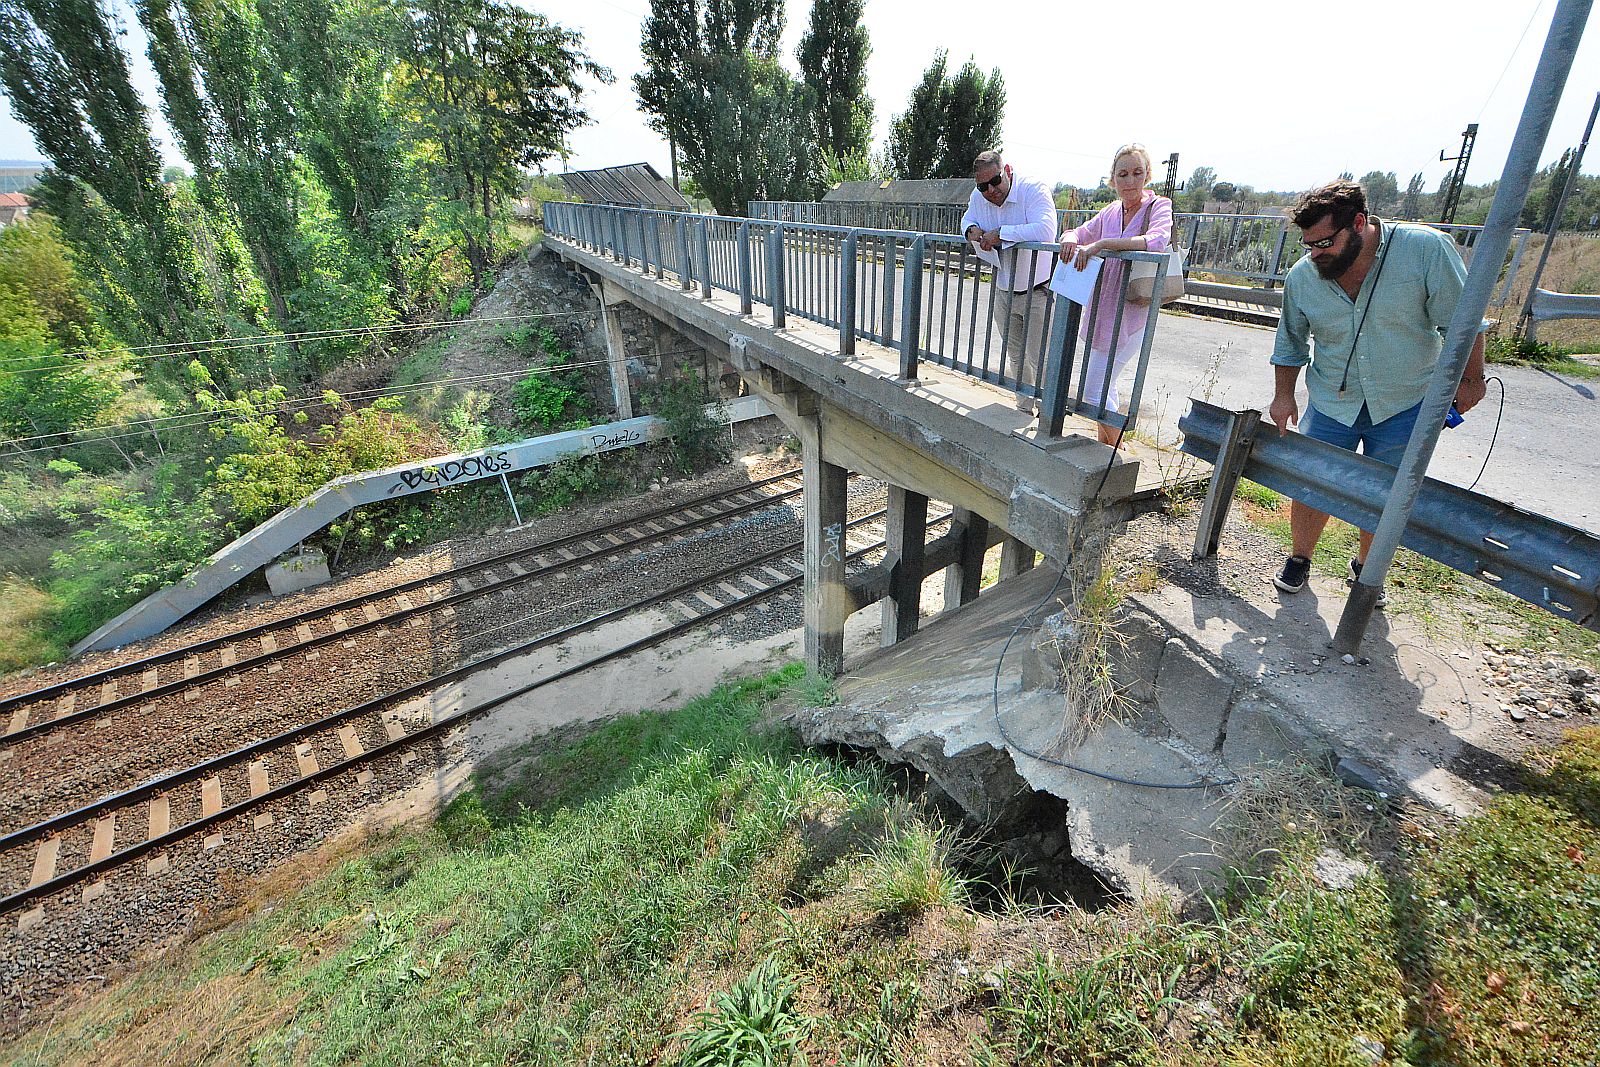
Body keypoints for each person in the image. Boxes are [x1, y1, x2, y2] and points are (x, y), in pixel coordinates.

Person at [1269, 179, 1487, 600]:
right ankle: (1300, 558)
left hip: (1405, 402)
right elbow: (1290, 342)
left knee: (1387, 494)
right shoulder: (1303, 276)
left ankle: (1367, 571)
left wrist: (1471, 378)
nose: (1315, 254)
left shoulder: (1423, 250)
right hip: (1332, 401)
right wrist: (1283, 395)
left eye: (1325, 243)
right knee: (1313, 484)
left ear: (1359, 223)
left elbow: (1464, 321)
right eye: (1308, 245)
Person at [1057, 144, 1173, 446]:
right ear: (1113, 178)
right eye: (1123, 174)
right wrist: (1069, 238)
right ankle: (1106, 447)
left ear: (1147, 175)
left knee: (1093, 391)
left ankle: (1115, 453)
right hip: (1103, 310)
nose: (1130, 181)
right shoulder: (1110, 211)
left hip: (1133, 312)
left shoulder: (1159, 205)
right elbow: (1081, 232)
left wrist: (1104, 244)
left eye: (1137, 172)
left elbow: (1157, 241)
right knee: (1104, 386)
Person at [960, 151, 1058, 415]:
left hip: (1038, 291)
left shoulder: (1033, 189)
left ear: (1008, 171)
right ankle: (1023, 409)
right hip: (1003, 290)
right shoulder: (978, 196)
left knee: (1040, 359)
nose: (990, 190)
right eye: (983, 186)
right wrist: (971, 231)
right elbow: (967, 219)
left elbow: (1046, 230)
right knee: (1016, 356)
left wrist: (1002, 234)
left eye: (995, 181)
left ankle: (1048, 416)